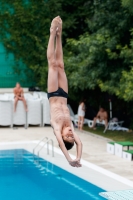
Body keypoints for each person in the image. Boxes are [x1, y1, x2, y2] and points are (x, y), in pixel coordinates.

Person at [47, 16, 82, 167]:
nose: (70, 135)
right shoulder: (71, 127)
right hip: (64, 94)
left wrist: (69, 160)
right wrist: (78, 158)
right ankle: (59, 35)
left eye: (67, 137)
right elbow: (79, 144)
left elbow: (61, 145)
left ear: (61, 136)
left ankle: (52, 34)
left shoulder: (56, 127)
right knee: (60, 64)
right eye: (72, 137)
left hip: (54, 94)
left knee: (53, 64)